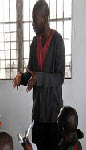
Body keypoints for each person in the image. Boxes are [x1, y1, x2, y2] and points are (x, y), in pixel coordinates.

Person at [13, 0, 65, 149]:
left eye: (35, 20)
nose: (33, 24)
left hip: (53, 115)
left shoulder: (57, 41)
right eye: (32, 20)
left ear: (45, 18)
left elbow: (60, 77)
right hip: (38, 114)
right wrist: (21, 78)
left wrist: (39, 77)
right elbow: (32, 75)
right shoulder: (34, 43)